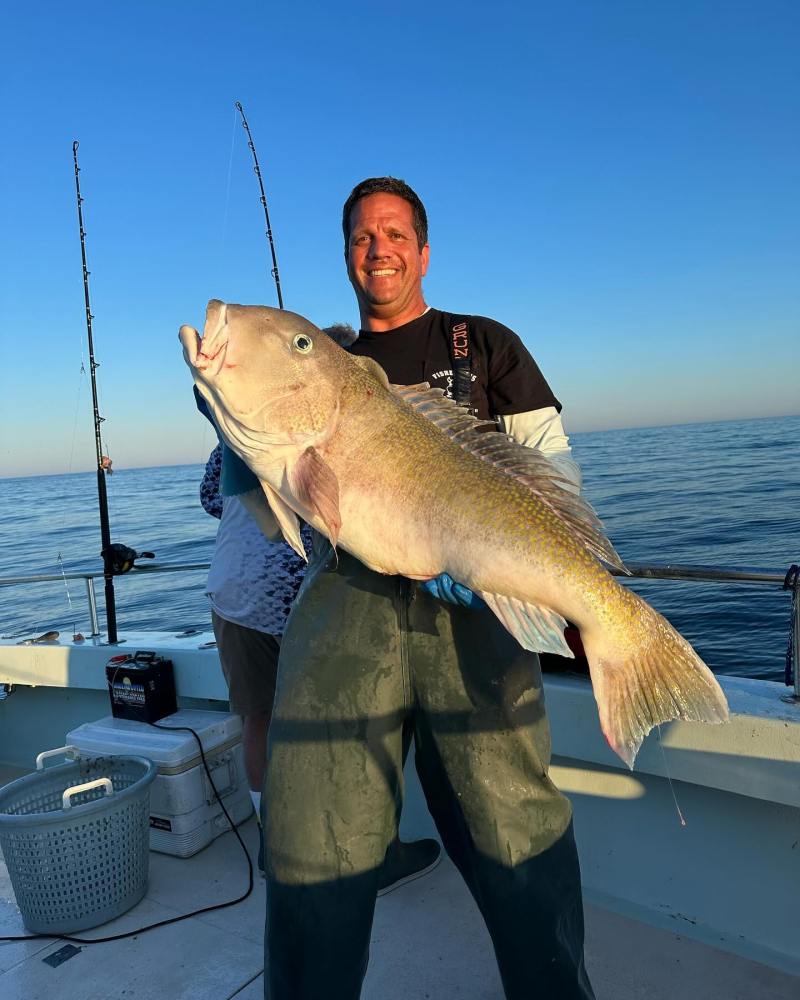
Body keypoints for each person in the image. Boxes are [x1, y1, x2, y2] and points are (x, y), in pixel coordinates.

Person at [262, 177, 595, 999]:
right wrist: (244, 439)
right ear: (345, 253)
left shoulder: (484, 345)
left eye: (394, 233)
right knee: (314, 840)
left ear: (423, 249)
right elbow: (272, 522)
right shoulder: (318, 361)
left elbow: (557, 481)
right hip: (345, 609)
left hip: (477, 614)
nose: (379, 248)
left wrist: (553, 585)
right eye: (360, 236)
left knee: (514, 828)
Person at [197, 324, 440, 890]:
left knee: (256, 719)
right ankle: (363, 855)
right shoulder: (313, 432)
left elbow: (212, 499)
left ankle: (273, 846)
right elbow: (335, 519)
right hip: (300, 606)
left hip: (232, 599)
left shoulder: (239, 430)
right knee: (340, 733)